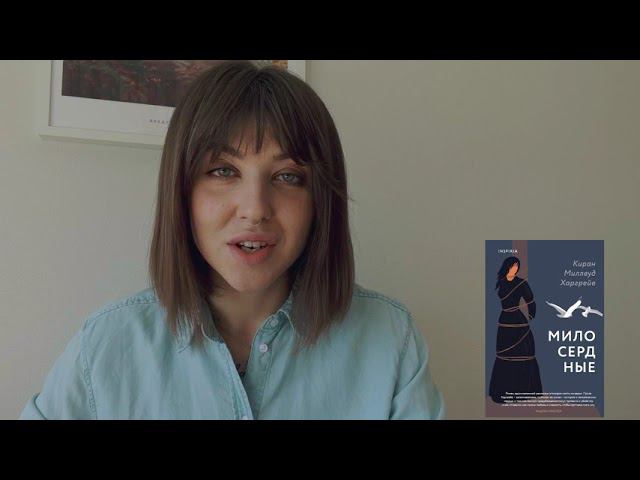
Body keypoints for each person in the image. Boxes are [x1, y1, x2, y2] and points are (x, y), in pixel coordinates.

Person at [19, 60, 445, 419]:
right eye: (223, 171)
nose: (255, 208)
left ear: (320, 202)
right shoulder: (104, 348)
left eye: (288, 176)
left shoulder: (390, 340)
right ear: (181, 191)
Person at [488, 256, 542, 404]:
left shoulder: (521, 283)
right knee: (505, 354)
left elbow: (531, 300)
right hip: (505, 320)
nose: (515, 269)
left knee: (521, 352)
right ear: (507, 266)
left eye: (517, 266)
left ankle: (524, 391)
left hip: (517, 321)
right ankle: (504, 391)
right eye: (513, 266)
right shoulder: (501, 281)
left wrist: (531, 315)